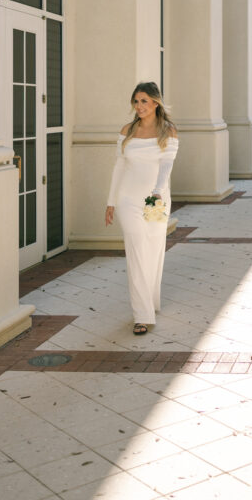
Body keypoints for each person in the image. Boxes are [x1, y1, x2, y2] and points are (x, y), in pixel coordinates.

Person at [105, 82, 179, 335]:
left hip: (156, 200)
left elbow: (166, 166)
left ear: (156, 102)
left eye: (144, 101)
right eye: (136, 101)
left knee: (153, 247)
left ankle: (151, 300)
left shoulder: (168, 131)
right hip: (128, 199)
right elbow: (119, 167)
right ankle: (142, 315)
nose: (139, 106)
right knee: (136, 249)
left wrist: (157, 192)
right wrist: (111, 202)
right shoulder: (127, 130)